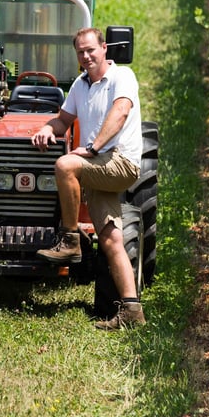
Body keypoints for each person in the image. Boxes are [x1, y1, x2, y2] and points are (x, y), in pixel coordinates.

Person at [31, 27, 145, 330]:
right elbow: (64, 120)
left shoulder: (123, 77)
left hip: (120, 162)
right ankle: (132, 310)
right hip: (99, 167)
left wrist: (92, 147)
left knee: (66, 165)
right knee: (110, 238)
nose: (86, 56)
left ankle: (69, 239)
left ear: (104, 48)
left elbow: (120, 113)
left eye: (91, 50)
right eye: (80, 52)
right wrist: (48, 128)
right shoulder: (81, 86)